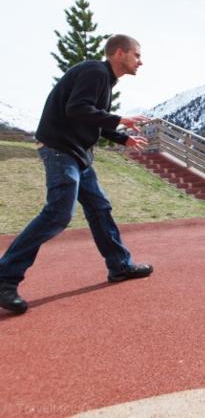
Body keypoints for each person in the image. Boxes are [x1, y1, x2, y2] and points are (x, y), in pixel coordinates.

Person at [0, 34, 153, 315]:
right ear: (120, 53)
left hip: (78, 154)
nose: (141, 62)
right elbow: (77, 109)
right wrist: (120, 119)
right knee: (58, 214)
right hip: (60, 150)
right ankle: (4, 277)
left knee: (100, 208)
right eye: (137, 55)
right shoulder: (95, 71)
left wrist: (122, 139)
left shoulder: (105, 80)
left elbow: (91, 116)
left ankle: (119, 266)